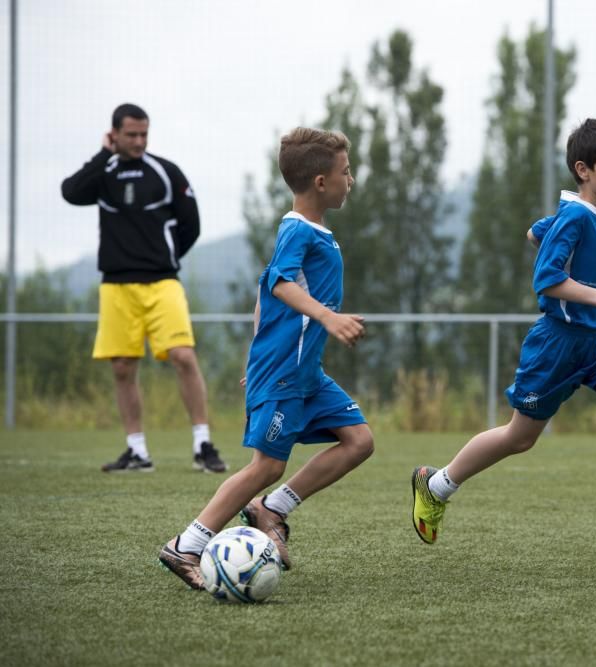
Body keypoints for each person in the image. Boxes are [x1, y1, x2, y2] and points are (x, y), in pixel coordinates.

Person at [411, 118, 596, 548]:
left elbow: (535, 233)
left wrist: (558, 242)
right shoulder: (578, 216)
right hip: (557, 344)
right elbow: (546, 279)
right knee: (519, 437)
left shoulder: (586, 214)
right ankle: (437, 486)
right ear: (584, 169)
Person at [159, 127, 373, 589]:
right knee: (266, 465)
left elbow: (263, 294)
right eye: (345, 171)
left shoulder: (313, 230)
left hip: (304, 373)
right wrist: (328, 319)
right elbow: (278, 282)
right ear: (321, 182)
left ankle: (271, 508)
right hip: (283, 373)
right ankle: (187, 545)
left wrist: (253, 355)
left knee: (358, 440)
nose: (350, 180)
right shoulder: (297, 229)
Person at [61, 103, 226, 474]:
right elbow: (71, 192)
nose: (138, 141)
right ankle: (137, 451)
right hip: (116, 287)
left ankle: (203, 444)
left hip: (162, 282)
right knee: (122, 367)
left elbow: (191, 226)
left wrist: (164, 257)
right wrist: (103, 154)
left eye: (144, 134)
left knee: (183, 356)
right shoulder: (103, 174)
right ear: (114, 133)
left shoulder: (166, 172)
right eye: (131, 134)